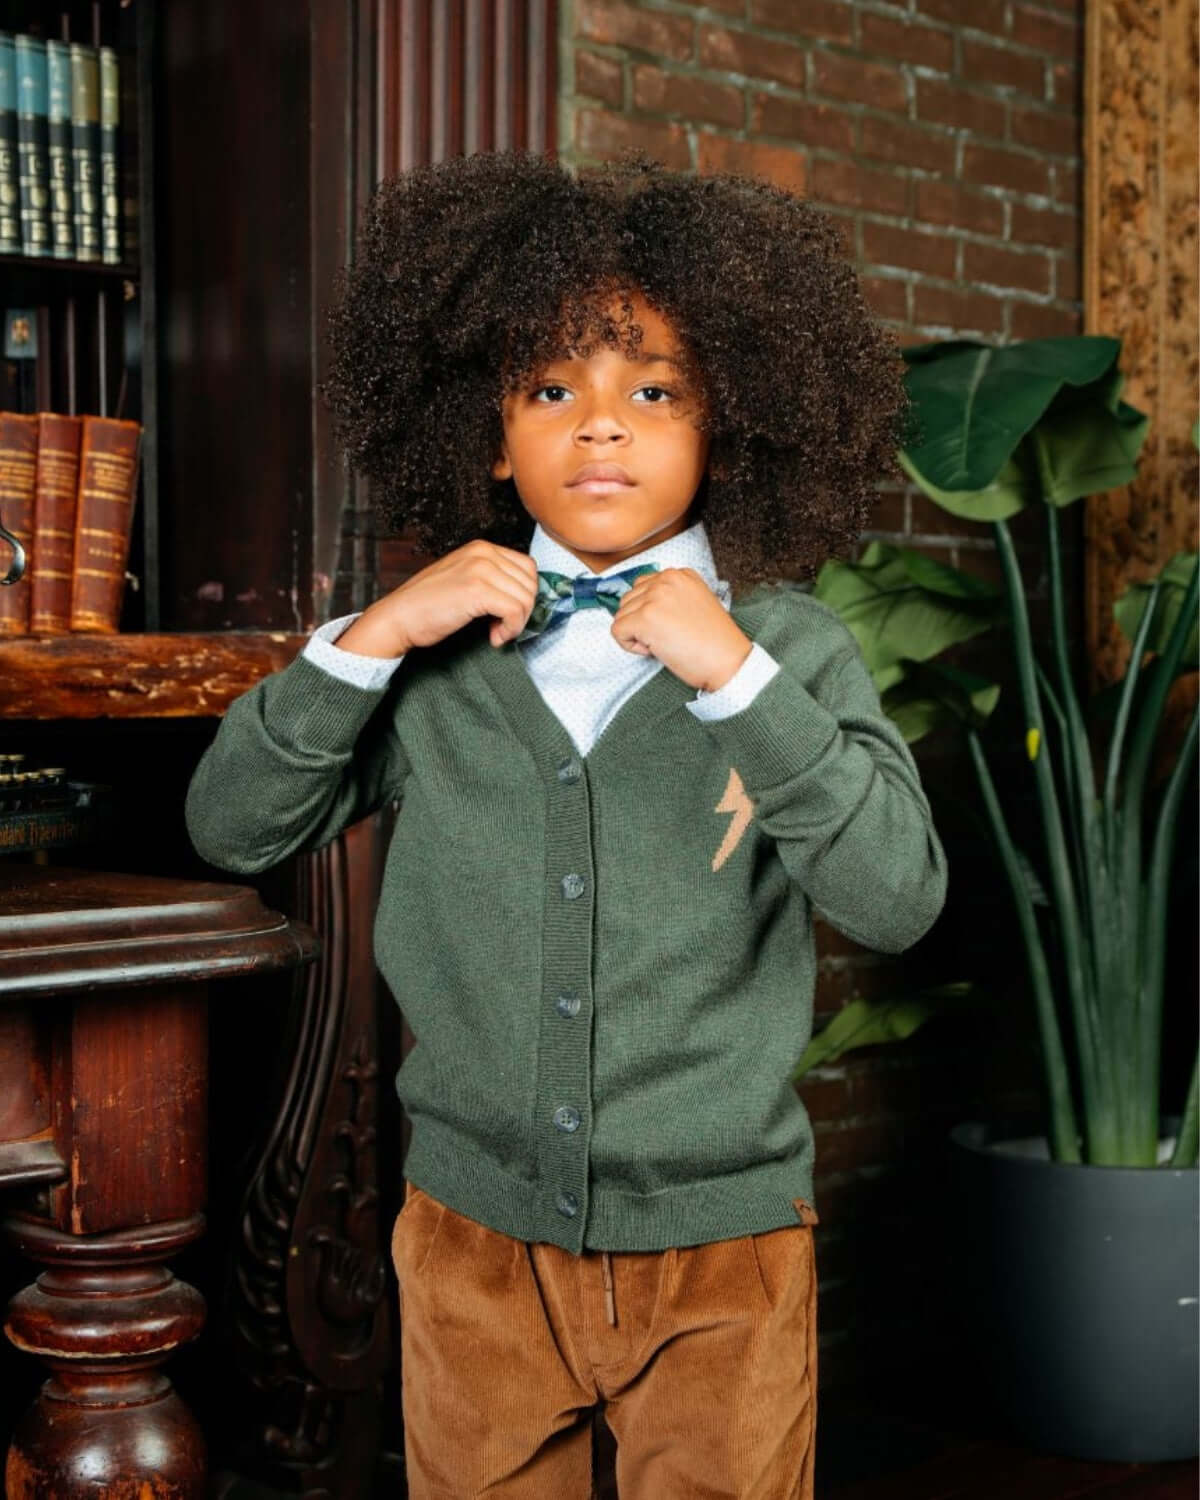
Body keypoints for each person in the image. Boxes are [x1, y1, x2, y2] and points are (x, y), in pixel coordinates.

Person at [185, 148, 948, 1500]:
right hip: (472, 1236)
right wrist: (371, 637)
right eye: (554, 390)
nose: (603, 427)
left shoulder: (793, 650)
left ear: (727, 424)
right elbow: (234, 826)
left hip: (725, 1250)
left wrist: (735, 680)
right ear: (491, 431)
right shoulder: (430, 648)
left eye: (655, 392)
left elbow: (897, 897)